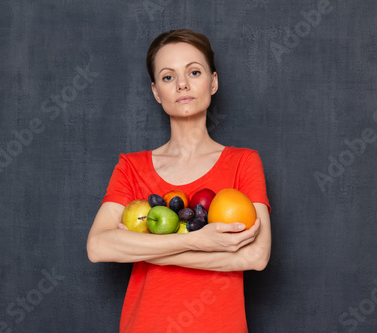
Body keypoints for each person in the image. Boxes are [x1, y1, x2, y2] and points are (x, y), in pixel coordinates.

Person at [86, 29, 272, 333]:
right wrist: (197, 241)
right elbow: (98, 247)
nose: (182, 84)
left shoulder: (243, 162)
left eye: (194, 72)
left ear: (213, 82)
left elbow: (256, 255)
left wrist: (148, 249)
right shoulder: (131, 167)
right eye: (168, 77)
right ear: (156, 92)